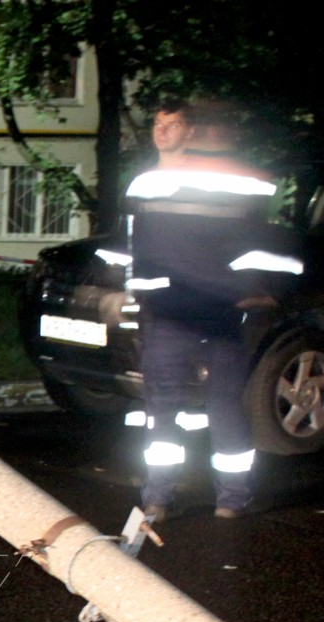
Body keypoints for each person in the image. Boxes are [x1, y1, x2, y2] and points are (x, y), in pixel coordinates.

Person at [125, 101, 293, 520]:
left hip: (194, 315)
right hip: (197, 315)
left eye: (173, 124)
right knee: (200, 410)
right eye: (158, 122)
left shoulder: (167, 183)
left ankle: (187, 500)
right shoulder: (247, 182)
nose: (162, 131)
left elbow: (141, 251)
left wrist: (258, 289)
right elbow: (136, 247)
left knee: (190, 410)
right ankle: (198, 500)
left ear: (193, 132)